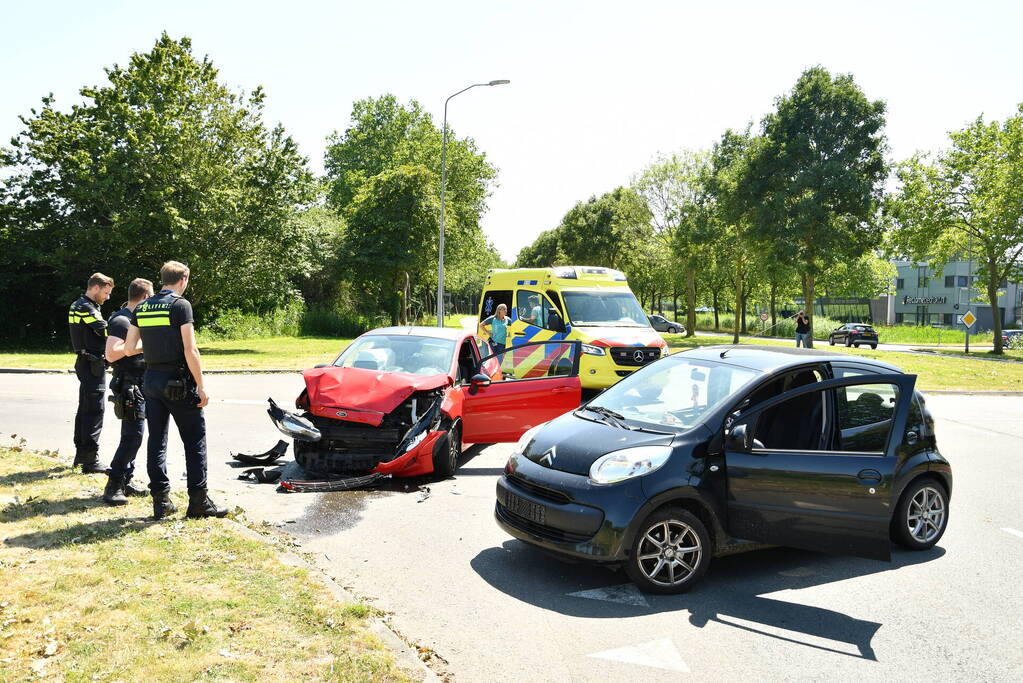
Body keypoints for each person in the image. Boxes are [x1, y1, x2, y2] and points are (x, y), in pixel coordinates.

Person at [123, 261, 226, 520]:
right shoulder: (181, 305)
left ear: (162, 279)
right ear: (183, 279)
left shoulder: (143, 306)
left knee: (156, 440)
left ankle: (161, 502)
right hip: (178, 382)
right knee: (194, 441)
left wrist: (155, 344)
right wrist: (201, 386)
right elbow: (191, 350)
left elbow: (128, 348)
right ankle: (199, 503)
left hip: (151, 381)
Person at [101, 278, 154, 505]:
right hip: (129, 385)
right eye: (151, 297)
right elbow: (111, 354)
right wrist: (147, 345)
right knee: (133, 436)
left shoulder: (135, 319)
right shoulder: (121, 320)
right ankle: (113, 485)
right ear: (144, 297)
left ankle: (126, 479)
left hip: (142, 383)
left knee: (136, 436)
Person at [68, 273, 114, 474]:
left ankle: (81, 456)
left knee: (85, 408)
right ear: (95, 288)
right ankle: (90, 459)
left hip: (86, 362)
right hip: (91, 363)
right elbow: (103, 329)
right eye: (106, 292)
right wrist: (123, 329)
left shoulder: (80, 305)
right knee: (95, 410)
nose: (107, 297)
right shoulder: (85, 306)